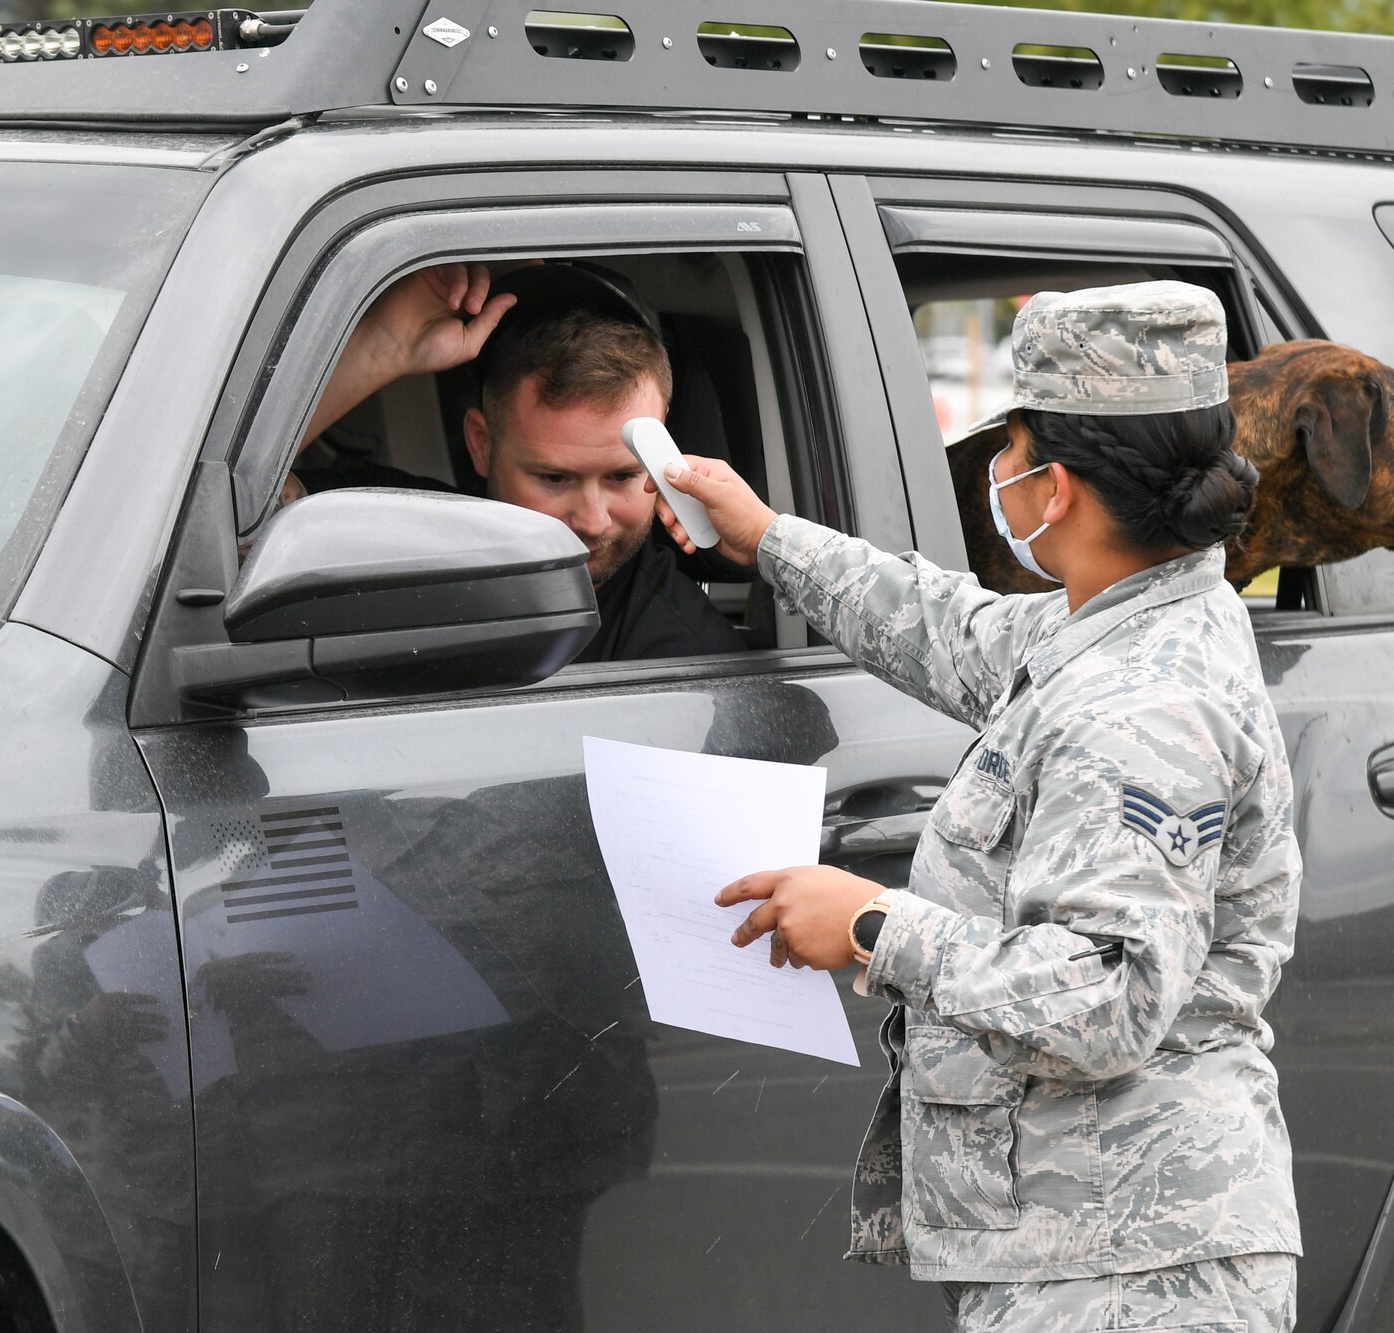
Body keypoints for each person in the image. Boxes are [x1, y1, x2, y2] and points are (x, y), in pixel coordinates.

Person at [652, 282, 1303, 1332]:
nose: (990, 463)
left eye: (1008, 441)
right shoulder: (1135, 620)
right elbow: (953, 629)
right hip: (1095, 1237)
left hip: (1129, 1272)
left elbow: (1110, 993)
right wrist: (766, 536)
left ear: (1054, 490)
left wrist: (872, 924)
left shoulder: (1140, 706)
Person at [292, 260, 746, 663]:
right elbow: (236, 507)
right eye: (554, 478)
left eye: (622, 476)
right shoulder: (390, 528)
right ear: (481, 444)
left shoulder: (685, 659)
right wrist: (381, 348)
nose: (592, 520)